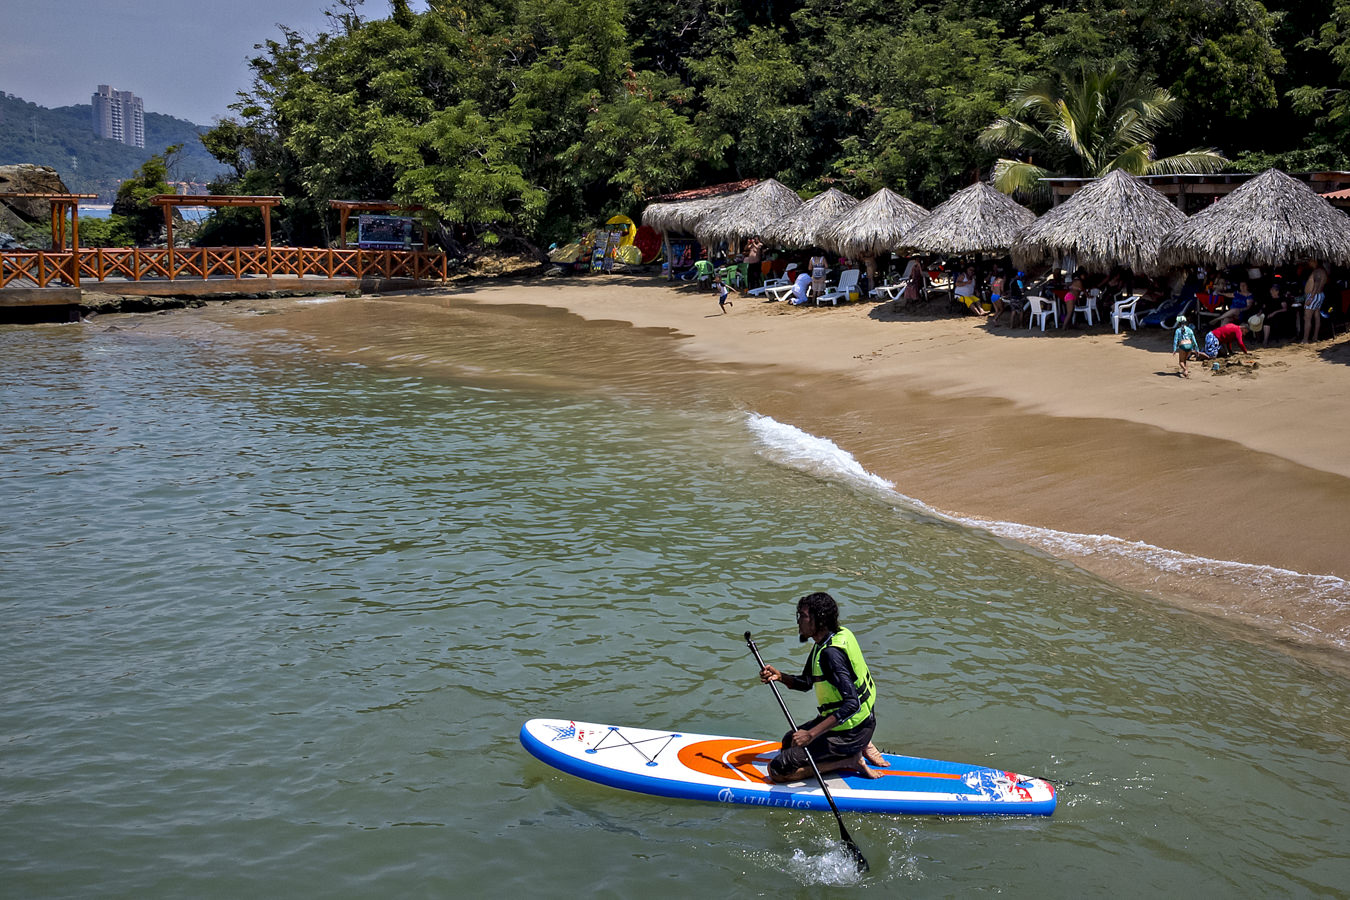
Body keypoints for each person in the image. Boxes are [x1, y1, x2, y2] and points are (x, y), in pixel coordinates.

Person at [757, 592, 887, 783]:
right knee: (788, 742)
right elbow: (806, 683)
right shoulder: (834, 637)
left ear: (819, 620)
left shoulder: (831, 654)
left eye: (803, 616)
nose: (798, 621)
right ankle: (860, 745)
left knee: (777, 770)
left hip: (851, 731)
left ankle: (849, 759)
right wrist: (780, 677)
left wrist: (811, 735)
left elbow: (852, 704)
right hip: (859, 722)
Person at [1302, 259, 1329, 343]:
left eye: (1310, 261)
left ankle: (1305, 340)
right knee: (1317, 316)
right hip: (1319, 295)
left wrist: (1311, 298)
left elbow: (1316, 284)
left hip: (1314, 295)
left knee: (1307, 318)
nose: (1308, 263)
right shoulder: (1323, 271)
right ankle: (1315, 337)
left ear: (1315, 261)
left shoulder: (1317, 271)